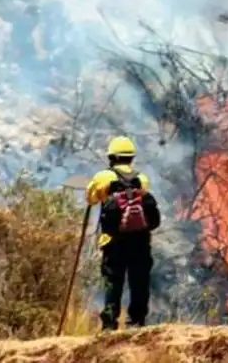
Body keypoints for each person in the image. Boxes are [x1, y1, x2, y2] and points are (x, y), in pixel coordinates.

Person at [85, 136, 161, 331]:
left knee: (113, 281)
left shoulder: (104, 177)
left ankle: (110, 323)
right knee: (139, 281)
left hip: (113, 241)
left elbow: (90, 198)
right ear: (131, 158)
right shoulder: (141, 179)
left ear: (111, 157)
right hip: (140, 241)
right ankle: (136, 322)